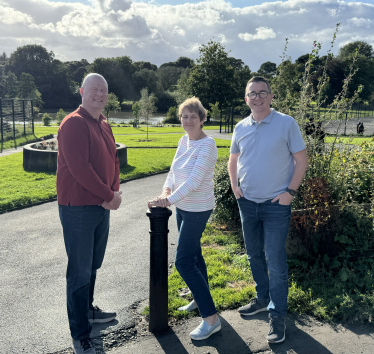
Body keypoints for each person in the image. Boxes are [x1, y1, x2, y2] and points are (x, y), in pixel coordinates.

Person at [228, 77, 308, 344]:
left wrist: (290, 193)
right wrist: (235, 187)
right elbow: (233, 160)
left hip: (276, 206)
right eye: (253, 93)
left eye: (263, 93)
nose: (258, 97)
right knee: (253, 256)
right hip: (248, 203)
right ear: (246, 99)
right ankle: (263, 298)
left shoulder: (286, 123)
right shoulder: (240, 127)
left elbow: (301, 159)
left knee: (275, 261)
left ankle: (277, 314)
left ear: (271, 97)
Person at [57, 73, 122, 354]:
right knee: (79, 272)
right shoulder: (74, 124)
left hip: (100, 206)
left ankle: (88, 312)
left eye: (103, 91)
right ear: (82, 91)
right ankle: (80, 334)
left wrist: (114, 191)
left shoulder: (103, 123)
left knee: (93, 264)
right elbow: (80, 169)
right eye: (94, 89)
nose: (99, 94)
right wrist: (109, 195)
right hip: (78, 208)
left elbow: (114, 159)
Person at [148, 97, 220, 340]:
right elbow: (173, 171)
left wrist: (167, 201)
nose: (188, 121)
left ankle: (211, 319)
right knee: (195, 256)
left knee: (184, 262)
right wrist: (166, 192)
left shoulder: (207, 145)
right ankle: (200, 300)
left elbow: (195, 180)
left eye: (193, 117)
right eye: (184, 117)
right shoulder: (183, 140)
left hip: (198, 209)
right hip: (183, 207)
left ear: (202, 119)